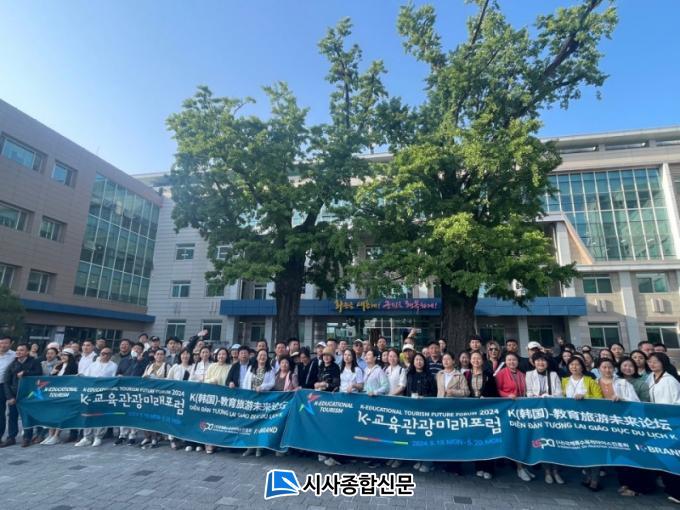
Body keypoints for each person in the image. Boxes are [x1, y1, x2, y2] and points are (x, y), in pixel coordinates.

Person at [561, 356, 603, 491]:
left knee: (592, 449)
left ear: (582, 366)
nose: (574, 367)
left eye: (577, 364)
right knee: (581, 448)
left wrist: (585, 396)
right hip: (572, 421)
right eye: (571, 364)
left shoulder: (590, 380)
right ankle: (588, 476)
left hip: (589, 421)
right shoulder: (564, 381)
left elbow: (599, 398)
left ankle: (595, 479)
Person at [647, 353, 680, 504]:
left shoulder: (670, 380)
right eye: (650, 361)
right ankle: (670, 488)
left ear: (663, 363)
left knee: (672, 456)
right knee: (662, 456)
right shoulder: (650, 378)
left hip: (670, 423)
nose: (652, 364)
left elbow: (677, 402)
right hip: (656, 424)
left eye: (656, 362)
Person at [495, 352, 533, 481]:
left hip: (521, 410)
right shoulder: (501, 374)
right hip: (508, 410)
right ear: (505, 362)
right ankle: (519, 468)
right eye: (509, 360)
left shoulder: (523, 374)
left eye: (514, 360)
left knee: (522, 438)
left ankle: (523, 466)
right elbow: (497, 390)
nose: (512, 362)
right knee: (515, 438)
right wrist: (507, 395)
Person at [0, 344, 41, 448]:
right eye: (17, 350)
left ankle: (27, 437)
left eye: (22, 350)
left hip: (28, 394)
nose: (18, 352)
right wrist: (9, 397)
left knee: (27, 416)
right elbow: (6, 381)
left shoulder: (34, 362)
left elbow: (39, 373)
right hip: (15, 395)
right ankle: (11, 437)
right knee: (12, 416)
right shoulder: (13, 363)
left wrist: (26, 373)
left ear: (27, 352)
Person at [466, 350, 499, 479]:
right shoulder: (466, 375)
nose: (476, 360)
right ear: (470, 360)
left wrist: (487, 398)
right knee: (476, 439)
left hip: (486, 411)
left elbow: (495, 393)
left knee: (487, 439)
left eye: (478, 358)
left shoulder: (489, 375)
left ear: (482, 360)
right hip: (472, 412)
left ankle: (489, 468)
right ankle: (478, 466)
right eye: (473, 358)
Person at [76, 347, 117, 447]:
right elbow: (86, 376)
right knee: (88, 414)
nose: (105, 355)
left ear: (110, 355)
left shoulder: (113, 366)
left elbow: (114, 379)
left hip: (105, 392)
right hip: (91, 392)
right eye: (103, 353)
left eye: (107, 354)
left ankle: (98, 436)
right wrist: (80, 376)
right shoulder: (93, 365)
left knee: (101, 415)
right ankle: (87, 437)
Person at [40, 348, 78, 445]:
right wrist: (52, 373)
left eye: (65, 355)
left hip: (65, 393)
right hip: (55, 393)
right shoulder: (59, 365)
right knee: (52, 414)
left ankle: (56, 436)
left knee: (61, 414)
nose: (63, 357)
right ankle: (50, 435)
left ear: (70, 357)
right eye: (62, 355)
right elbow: (51, 379)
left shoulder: (73, 367)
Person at [242, 349, 276, 458]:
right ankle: (250, 447)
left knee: (261, 425)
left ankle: (259, 448)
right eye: (260, 355)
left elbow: (272, 383)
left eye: (264, 355)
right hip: (251, 400)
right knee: (251, 424)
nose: (262, 357)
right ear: (257, 357)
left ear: (267, 357)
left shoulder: (270, 369)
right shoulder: (251, 368)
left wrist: (262, 387)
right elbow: (245, 382)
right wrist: (246, 395)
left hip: (263, 400)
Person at [406, 353, 436, 473]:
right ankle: (419, 459)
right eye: (416, 360)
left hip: (426, 410)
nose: (418, 362)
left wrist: (424, 398)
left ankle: (428, 462)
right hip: (413, 410)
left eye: (421, 360)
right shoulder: (409, 375)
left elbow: (434, 393)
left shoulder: (430, 376)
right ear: (413, 362)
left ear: (424, 362)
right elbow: (407, 392)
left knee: (426, 436)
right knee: (416, 436)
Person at [140, 349, 170, 449]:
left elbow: (170, 380)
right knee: (145, 415)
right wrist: (146, 377)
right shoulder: (149, 366)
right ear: (154, 356)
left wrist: (157, 379)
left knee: (155, 416)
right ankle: (147, 436)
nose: (159, 356)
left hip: (160, 394)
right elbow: (143, 377)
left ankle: (155, 437)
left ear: (164, 356)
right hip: (148, 394)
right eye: (157, 354)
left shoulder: (166, 366)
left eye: (161, 354)